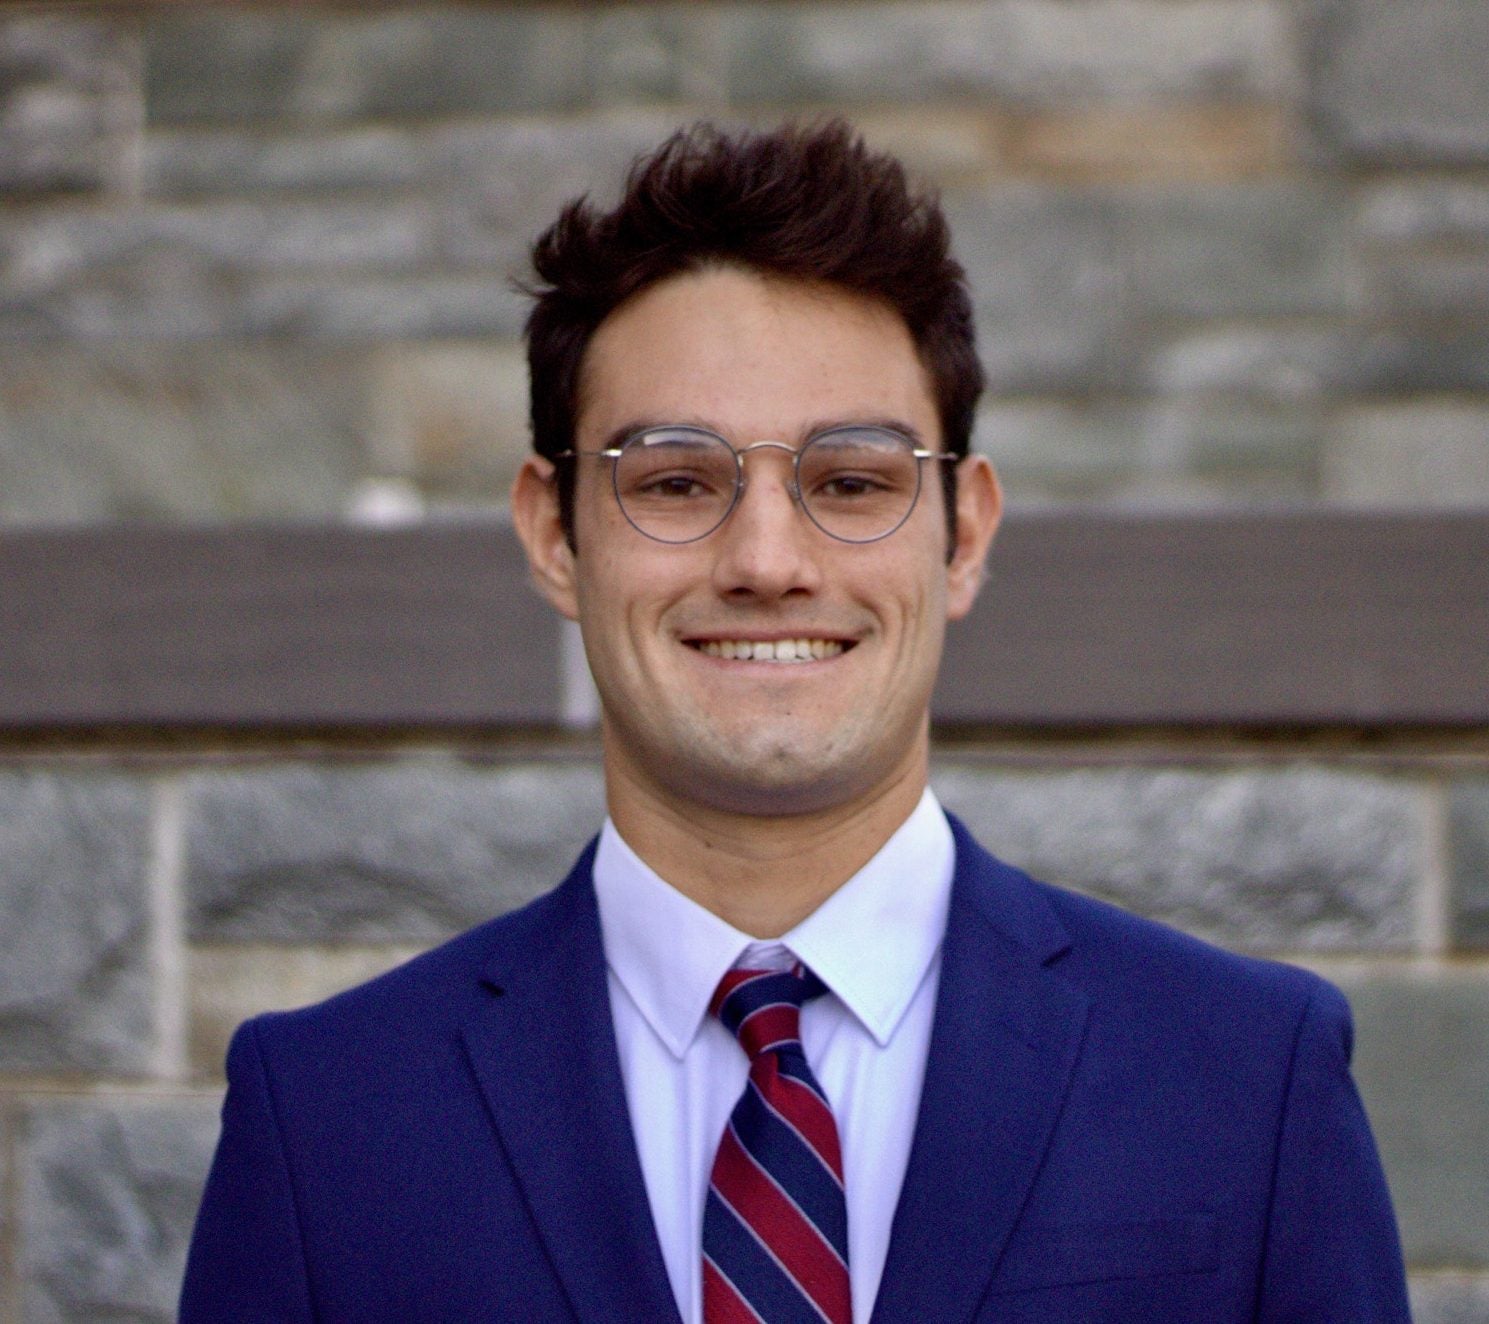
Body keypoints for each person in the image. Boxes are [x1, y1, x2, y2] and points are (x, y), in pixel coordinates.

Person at [180, 121, 1410, 1323]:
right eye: (675, 481)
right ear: (554, 533)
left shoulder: (1247, 1081)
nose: (766, 561)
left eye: (851, 481)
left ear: (964, 534)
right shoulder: (327, 1121)